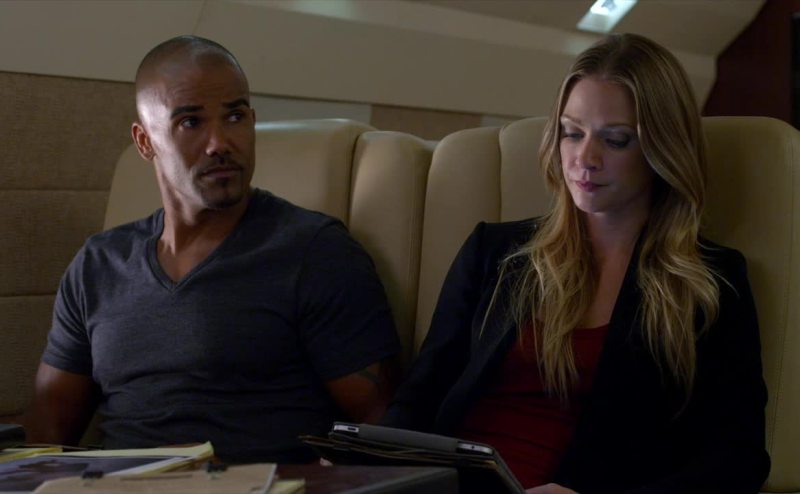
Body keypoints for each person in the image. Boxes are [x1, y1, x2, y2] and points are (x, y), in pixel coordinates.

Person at [383, 33, 769, 493]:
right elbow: (421, 396)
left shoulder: (711, 280)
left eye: (616, 140)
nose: (585, 159)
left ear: (662, 149)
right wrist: (366, 468)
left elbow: (738, 457)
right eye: (572, 133)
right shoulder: (495, 252)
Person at [24, 35, 400, 463]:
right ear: (145, 142)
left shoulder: (315, 253)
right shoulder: (98, 265)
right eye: (191, 122)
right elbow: (44, 438)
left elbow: (384, 437)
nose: (219, 143)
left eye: (235, 117)